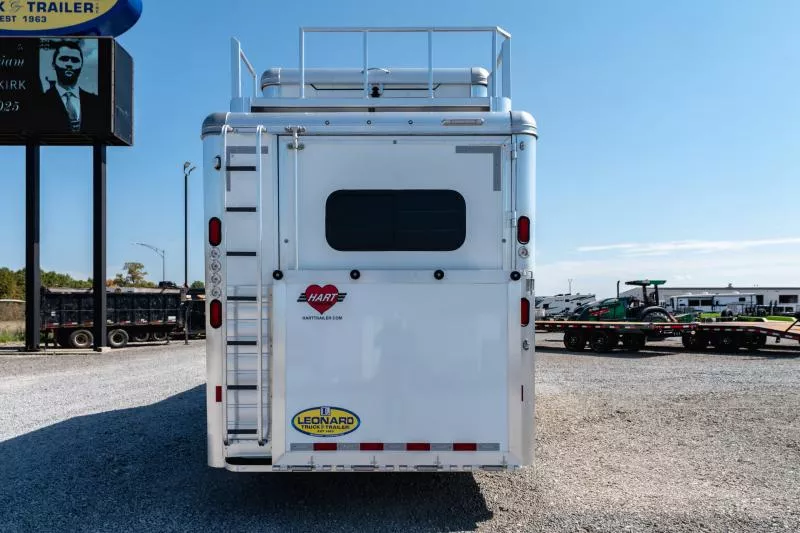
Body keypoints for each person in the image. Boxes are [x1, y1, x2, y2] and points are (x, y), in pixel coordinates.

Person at [38, 41, 104, 134]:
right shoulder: (40, 102)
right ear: (53, 64)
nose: (69, 64)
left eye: (75, 60)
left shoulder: (95, 103)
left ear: (81, 65)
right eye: (64, 59)